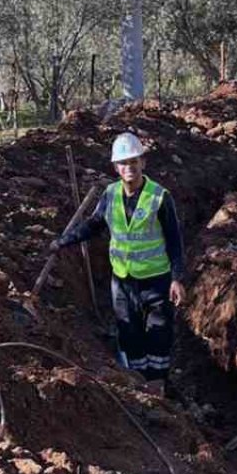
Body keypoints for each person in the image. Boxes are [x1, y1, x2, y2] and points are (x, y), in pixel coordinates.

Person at [50, 132, 186, 393]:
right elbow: (93, 225)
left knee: (158, 333)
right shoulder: (110, 195)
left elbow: (175, 241)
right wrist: (63, 241)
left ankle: (157, 384)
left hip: (156, 279)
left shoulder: (159, 197)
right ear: (116, 167)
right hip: (122, 281)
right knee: (129, 332)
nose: (129, 167)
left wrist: (177, 278)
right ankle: (137, 382)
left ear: (143, 162)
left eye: (134, 161)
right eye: (124, 163)